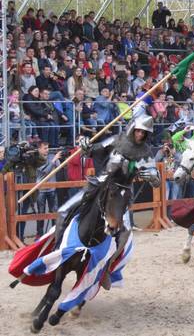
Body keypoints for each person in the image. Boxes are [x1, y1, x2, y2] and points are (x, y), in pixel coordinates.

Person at [57, 115, 161, 289]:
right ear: (132, 129)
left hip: (121, 193)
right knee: (64, 211)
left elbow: (156, 179)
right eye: (138, 131)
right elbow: (92, 150)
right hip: (100, 185)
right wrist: (84, 145)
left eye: (144, 133)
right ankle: (57, 250)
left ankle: (106, 268)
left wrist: (151, 176)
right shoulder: (115, 140)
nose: (140, 135)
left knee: (125, 232)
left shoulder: (145, 152)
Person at [35, 142, 61, 237]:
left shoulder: (51, 156)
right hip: (41, 190)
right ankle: (40, 235)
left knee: (54, 212)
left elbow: (59, 167)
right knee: (41, 213)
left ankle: (54, 233)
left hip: (51, 189)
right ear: (39, 149)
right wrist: (53, 160)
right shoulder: (36, 159)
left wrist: (57, 159)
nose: (47, 150)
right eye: (45, 148)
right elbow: (45, 172)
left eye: (48, 148)